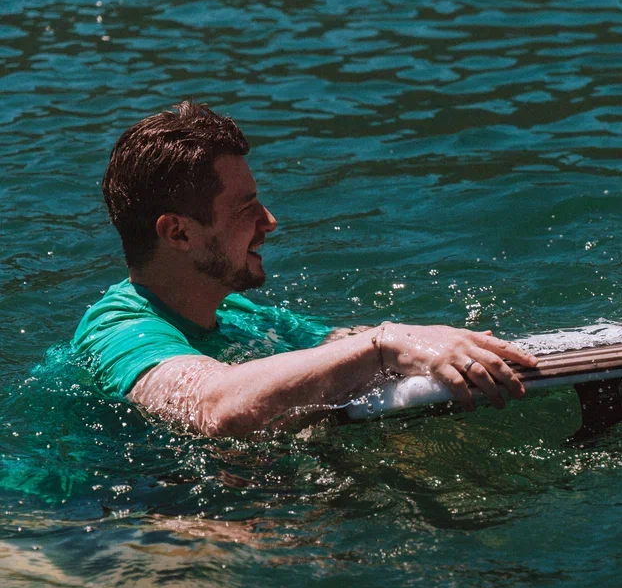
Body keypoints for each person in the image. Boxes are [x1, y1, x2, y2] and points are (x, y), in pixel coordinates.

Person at [72, 102, 537, 436]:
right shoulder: (120, 331)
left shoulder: (238, 315)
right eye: (245, 208)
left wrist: (448, 346)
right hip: (109, 524)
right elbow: (213, 406)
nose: (269, 222)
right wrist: (384, 344)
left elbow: (339, 347)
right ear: (178, 233)